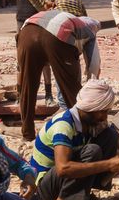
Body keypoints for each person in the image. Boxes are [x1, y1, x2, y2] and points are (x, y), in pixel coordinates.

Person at [16, 10, 102, 140]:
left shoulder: (70, 20)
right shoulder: (89, 31)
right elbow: (93, 64)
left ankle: (27, 133)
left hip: (27, 32)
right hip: (56, 36)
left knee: (28, 87)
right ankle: (85, 131)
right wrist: (91, 90)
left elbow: (22, 69)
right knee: (71, 89)